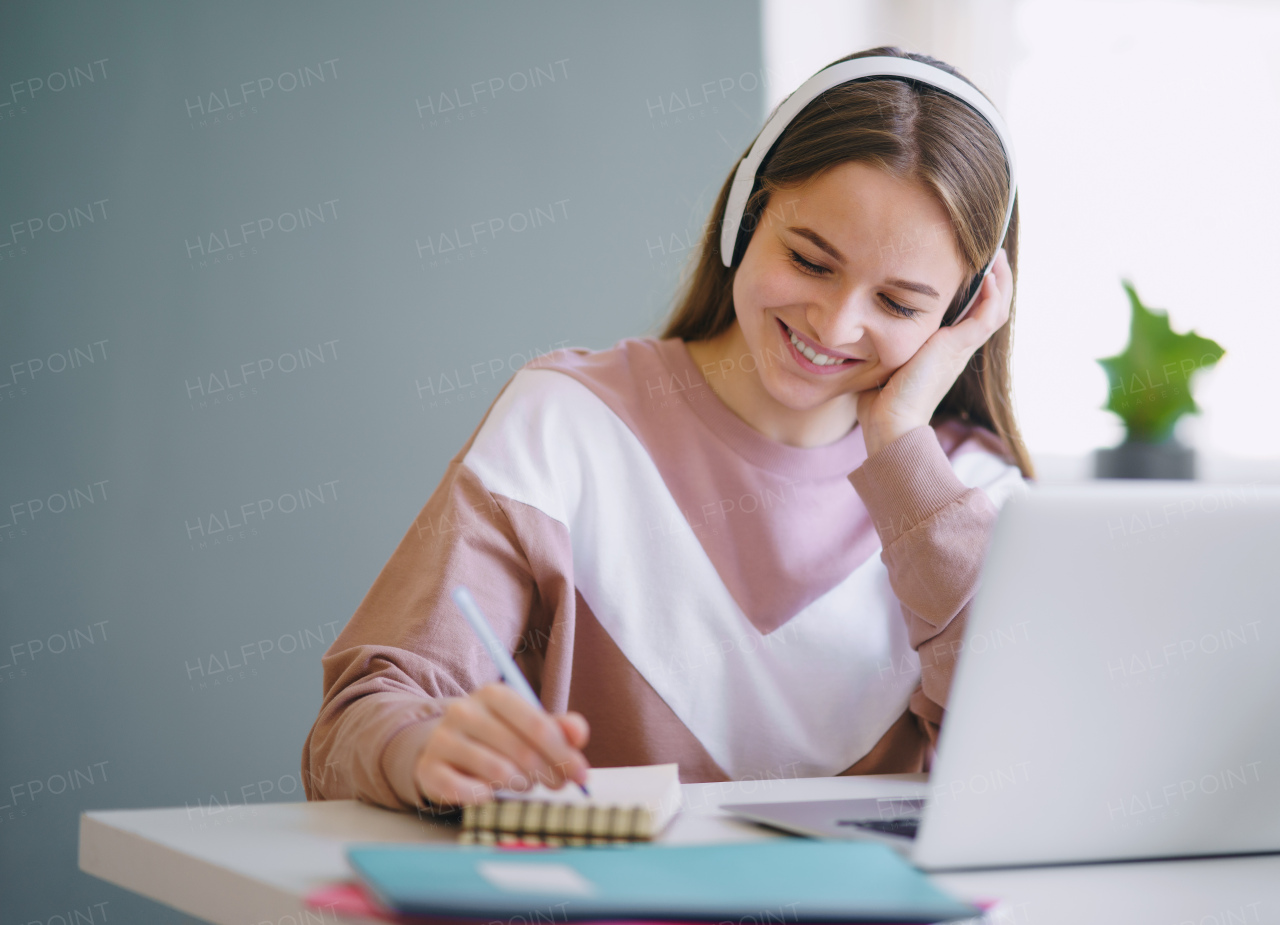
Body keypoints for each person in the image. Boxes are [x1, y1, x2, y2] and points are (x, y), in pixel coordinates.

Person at [302, 46, 1034, 811]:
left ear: (960, 315)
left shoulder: (972, 495)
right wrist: (420, 750)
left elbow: (1019, 778)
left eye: (899, 304)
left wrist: (901, 453)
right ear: (747, 212)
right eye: (811, 261)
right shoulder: (564, 424)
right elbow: (356, 719)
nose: (836, 322)